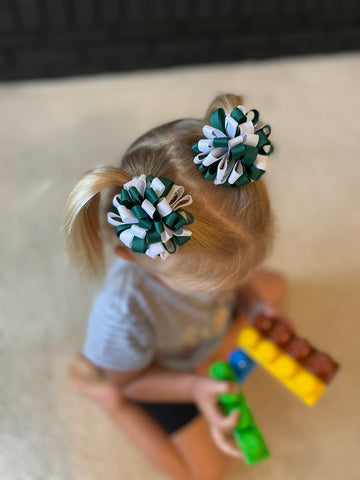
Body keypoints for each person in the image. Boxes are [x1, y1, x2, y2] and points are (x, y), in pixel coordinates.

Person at [63, 93, 287, 480]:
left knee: (276, 288)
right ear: (130, 256)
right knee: (205, 473)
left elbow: (243, 284)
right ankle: (104, 396)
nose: (231, 287)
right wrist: (193, 388)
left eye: (236, 276)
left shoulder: (213, 258)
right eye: (217, 282)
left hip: (204, 338)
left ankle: (210, 357)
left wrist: (253, 305)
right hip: (160, 373)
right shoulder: (122, 316)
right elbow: (134, 381)